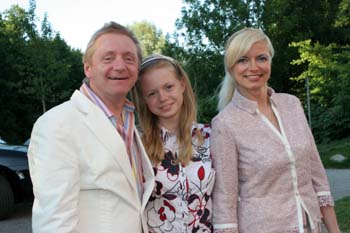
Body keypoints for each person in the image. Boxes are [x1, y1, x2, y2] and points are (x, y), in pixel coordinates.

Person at [27, 22, 155, 233]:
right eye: (108, 58)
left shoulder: (132, 120)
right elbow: (54, 222)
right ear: (88, 68)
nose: (120, 65)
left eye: (129, 58)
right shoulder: (57, 124)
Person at [211, 28, 340, 233]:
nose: (253, 67)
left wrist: (334, 230)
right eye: (242, 60)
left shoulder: (292, 104)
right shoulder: (225, 124)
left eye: (261, 58)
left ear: (270, 61)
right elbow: (224, 199)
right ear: (231, 67)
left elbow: (316, 173)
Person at [131, 54, 215, 232]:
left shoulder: (211, 136)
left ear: (182, 85)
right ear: (144, 99)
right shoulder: (135, 143)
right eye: (152, 93)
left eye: (168, 87)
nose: (162, 98)